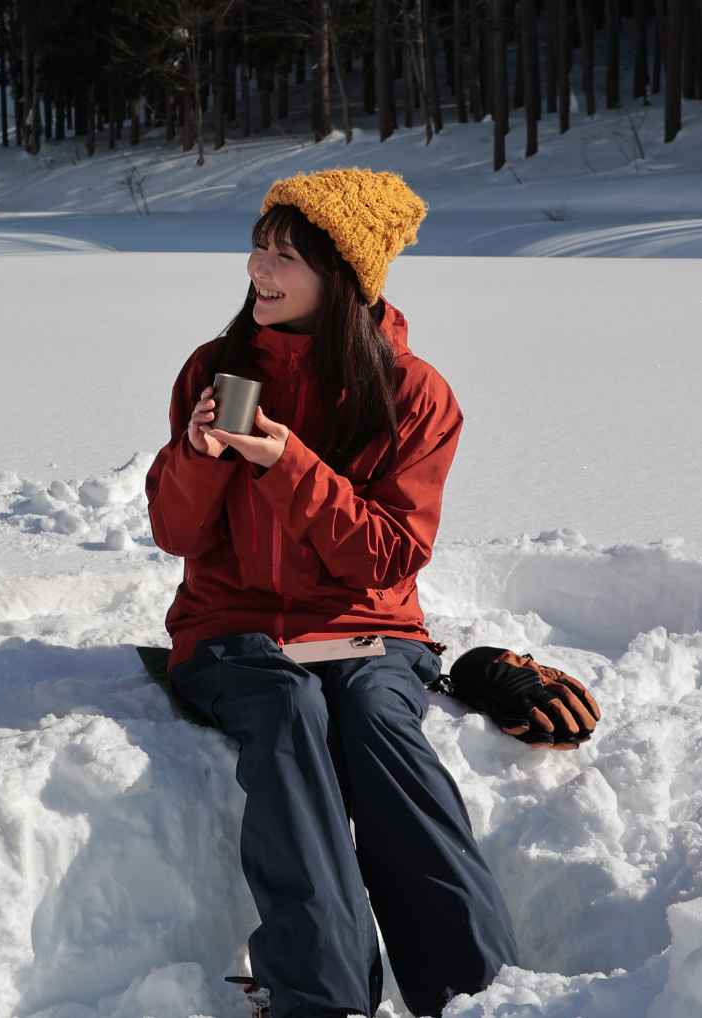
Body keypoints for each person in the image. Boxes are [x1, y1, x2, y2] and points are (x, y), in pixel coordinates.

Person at [145, 169, 556, 1017]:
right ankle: (321, 1001)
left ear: (345, 278)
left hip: (372, 631)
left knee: (376, 723)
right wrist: (196, 455)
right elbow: (177, 535)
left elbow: (391, 553)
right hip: (233, 632)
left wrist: (287, 465)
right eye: (259, 245)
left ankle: (475, 994)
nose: (259, 267)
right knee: (288, 714)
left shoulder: (414, 392)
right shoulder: (213, 369)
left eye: (285, 256)